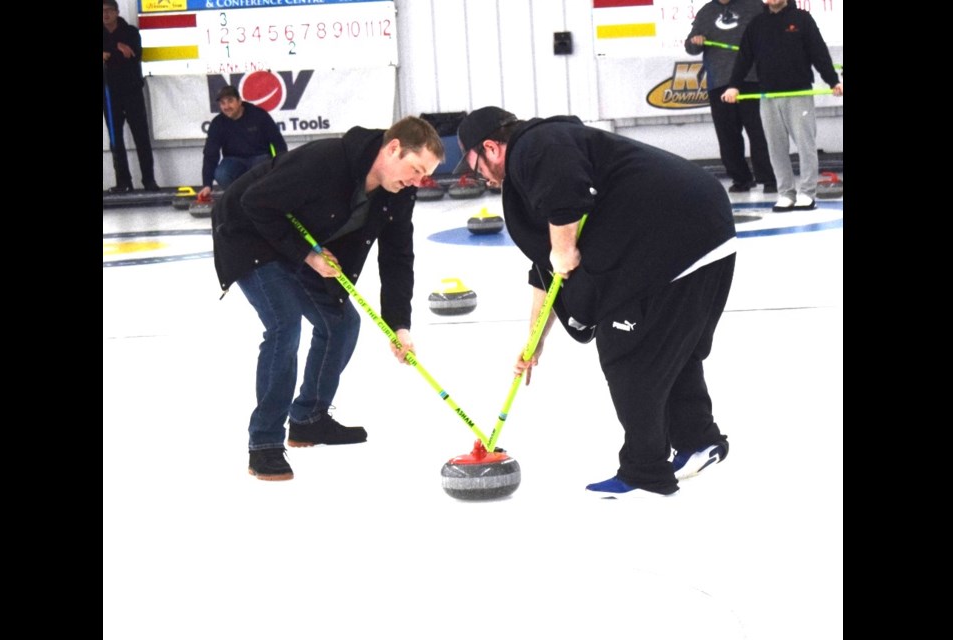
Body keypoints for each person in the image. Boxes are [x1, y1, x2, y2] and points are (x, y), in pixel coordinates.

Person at [453, 106, 735, 498]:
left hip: (677, 236)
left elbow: (565, 202)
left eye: (473, 163)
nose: (475, 174)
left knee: (627, 352)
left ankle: (645, 471)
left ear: (491, 147)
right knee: (668, 347)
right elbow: (545, 268)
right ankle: (698, 440)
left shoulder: (535, 145)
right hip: (702, 233)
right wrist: (534, 340)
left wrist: (564, 248)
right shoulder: (533, 171)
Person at [211, 116, 445, 481]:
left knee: (341, 323)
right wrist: (307, 255)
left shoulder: (399, 190)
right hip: (249, 233)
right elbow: (253, 202)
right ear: (394, 148)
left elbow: (398, 257)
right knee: (284, 322)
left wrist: (399, 325)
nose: (418, 181)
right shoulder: (326, 160)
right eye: (415, 170)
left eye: (424, 176)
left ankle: (308, 419)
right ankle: (264, 443)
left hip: (305, 244)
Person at [721, 0, 843, 212]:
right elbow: (743, 58)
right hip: (768, 96)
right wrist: (734, 86)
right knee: (776, 148)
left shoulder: (802, 19)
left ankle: (807, 193)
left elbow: (819, 53)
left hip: (799, 94)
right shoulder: (756, 24)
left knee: (805, 145)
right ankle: (786, 193)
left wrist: (833, 81)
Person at [685, 0, 776, 194]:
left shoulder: (754, 5)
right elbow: (690, 46)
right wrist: (696, 40)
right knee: (727, 135)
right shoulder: (706, 12)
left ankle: (769, 179)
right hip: (719, 83)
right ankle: (741, 179)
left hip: (751, 79)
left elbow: (778, 21)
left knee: (759, 132)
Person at [102, 0, 159, 193]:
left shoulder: (131, 32)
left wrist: (109, 53)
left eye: (109, 10)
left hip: (132, 91)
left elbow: (135, 55)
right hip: (109, 95)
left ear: (117, 12)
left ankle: (149, 181)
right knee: (115, 140)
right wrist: (116, 48)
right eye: (102, 11)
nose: (106, 14)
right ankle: (123, 182)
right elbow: (120, 55)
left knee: (141, 137)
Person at [198, 86, 289, 201]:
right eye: (222, 103)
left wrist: (282, 168)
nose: (226, 107)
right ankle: (239, 200)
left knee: (262, 170)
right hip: (233, 160)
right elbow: (210, 154)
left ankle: (261, 200)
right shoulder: (217, 123)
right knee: (221, 173)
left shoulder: (259, 115)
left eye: (230, 101)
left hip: (260, 158)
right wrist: (207, 184)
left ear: (240, 101)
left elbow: (278, 142)